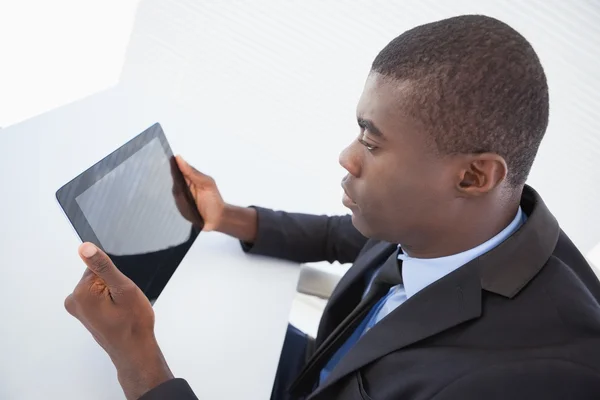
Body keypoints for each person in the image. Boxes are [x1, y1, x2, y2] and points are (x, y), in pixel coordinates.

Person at [64, 14, 600, 400]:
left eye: (372, 142)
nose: (347, 157)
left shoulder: (529, 379)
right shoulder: (460, 226)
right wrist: (226, 217)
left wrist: (139, 364)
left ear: (473, 175)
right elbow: (346, 237)